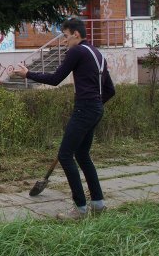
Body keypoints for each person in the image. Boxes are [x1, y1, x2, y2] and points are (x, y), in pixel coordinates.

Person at [13, 17, 115, 219]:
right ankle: (98, 204)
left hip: (85, 109)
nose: (65, 41)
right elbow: (110, 90)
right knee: (83, 155)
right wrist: (94, 106)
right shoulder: (97, 53)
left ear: (76, 34)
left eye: (66, 36)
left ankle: (80, 208)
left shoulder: (77, 51)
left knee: (66, 155)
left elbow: (55, 79)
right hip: (95, 109)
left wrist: (28, 74)